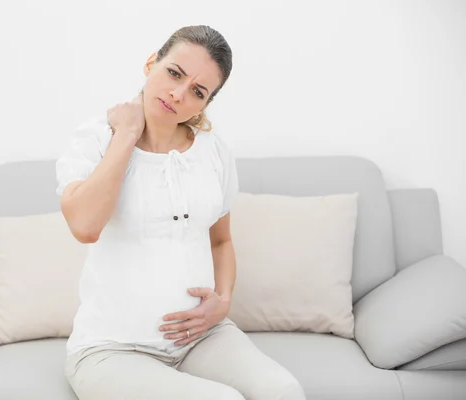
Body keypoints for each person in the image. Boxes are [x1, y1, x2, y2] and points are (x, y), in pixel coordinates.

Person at [56, 25, 306, 400]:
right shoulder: (96, 138)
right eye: (174, 73)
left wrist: (222, 301)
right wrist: (126, 133)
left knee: (283, 391)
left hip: (201, 340)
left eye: (197, 91)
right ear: (151, 63)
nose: (178, 94)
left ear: (205, 104)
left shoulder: (213, 152)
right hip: (111, 349)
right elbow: (85, 225)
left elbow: (220, 241)